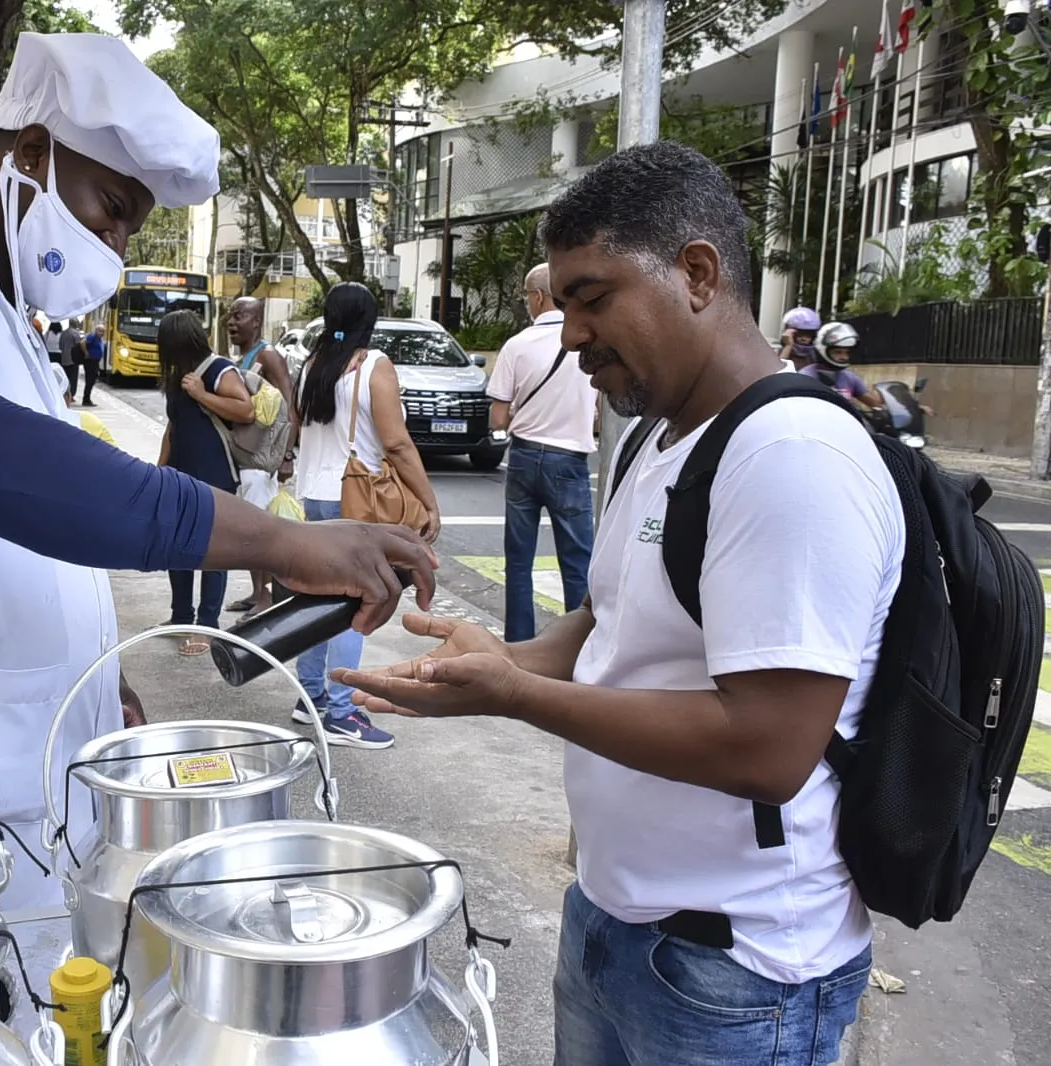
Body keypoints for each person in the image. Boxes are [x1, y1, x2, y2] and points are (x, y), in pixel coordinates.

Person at [0, 31, 435, 1023]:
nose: (117, 248)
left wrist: (96, 677)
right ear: (31, 153)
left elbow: (31, 555)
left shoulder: (11, 330)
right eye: (112, 209)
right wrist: (287, 542)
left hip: (43, 794)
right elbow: (25, 480)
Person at [333, 142, 898, 1064]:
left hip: (736, 972)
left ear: (698, 274)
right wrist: (500, 659)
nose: (570, 336)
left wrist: (516, 697)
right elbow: (611, 624)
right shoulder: (655, 437)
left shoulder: (791, 454)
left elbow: (769, 748)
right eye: (563, 306)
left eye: (592, 298)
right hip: (613, 921)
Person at [293, 282, 441, 750]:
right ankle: (341, 712)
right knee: (357, 604)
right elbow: (396, 443)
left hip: (314, 496)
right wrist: (429, 501)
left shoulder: (312, 365)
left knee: (316, 598)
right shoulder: (374, 365)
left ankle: (309, 696)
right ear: (370, 322)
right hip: (355, 499)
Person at [485, 263, 597, 643]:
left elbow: (498, 418)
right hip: (570, 462)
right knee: (578, 562)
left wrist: (518, 415)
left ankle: (519, 645)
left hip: (524, 457)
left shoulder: (517, 345)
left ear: (537, 297)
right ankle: (578, 647)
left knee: (519, 562)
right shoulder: (587, 341)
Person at [156, 310, 253, 654]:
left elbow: (245, 409)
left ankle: (208, 626)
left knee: (212, 553)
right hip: (179, 475)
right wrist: (159, 469)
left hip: (215, 476)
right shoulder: (177, 375)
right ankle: (181, 616)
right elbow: (174, 426)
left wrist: (201, 394)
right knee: (176, 548)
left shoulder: (217, 370)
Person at [223, 296, 295, 617]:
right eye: (230, 316)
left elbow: (289, 405)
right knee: (248, 529)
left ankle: (267, 596)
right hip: (246, 459)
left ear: (256, 321)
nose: (231, 322)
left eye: (239, 316)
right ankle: (256, 592)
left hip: (262, 461)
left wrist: (287, 455)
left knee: (259, 530)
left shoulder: (268, 356)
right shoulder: (243, 359)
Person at [800, 321, 886, 415]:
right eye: (838, 352)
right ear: (822, 350)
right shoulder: (806, 377)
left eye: (847, 352)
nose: (844, 357)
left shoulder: (849, 377)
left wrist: (886, 398)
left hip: (846, 422)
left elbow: (874, 403)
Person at [57, 318, 87, 401]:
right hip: (73, 359)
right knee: (73, 378)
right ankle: (71, 395)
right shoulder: (75, 333)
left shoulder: (63, 333)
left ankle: (64, 393)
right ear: (75, 324)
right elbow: (79, 345)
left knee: (65, 377)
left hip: (64, 358)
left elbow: (60, 345)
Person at [81, 323, 107, 406]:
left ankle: (87, 398)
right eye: (100, 331)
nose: (102, 333)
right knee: (90, 380)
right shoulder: (92, 336)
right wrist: (86, 353)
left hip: (95, 361)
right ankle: (86, 399)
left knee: (92, 380)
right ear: (96, 330)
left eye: (103, 331)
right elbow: (82, 342)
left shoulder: (99, 338)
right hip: (90, 361)